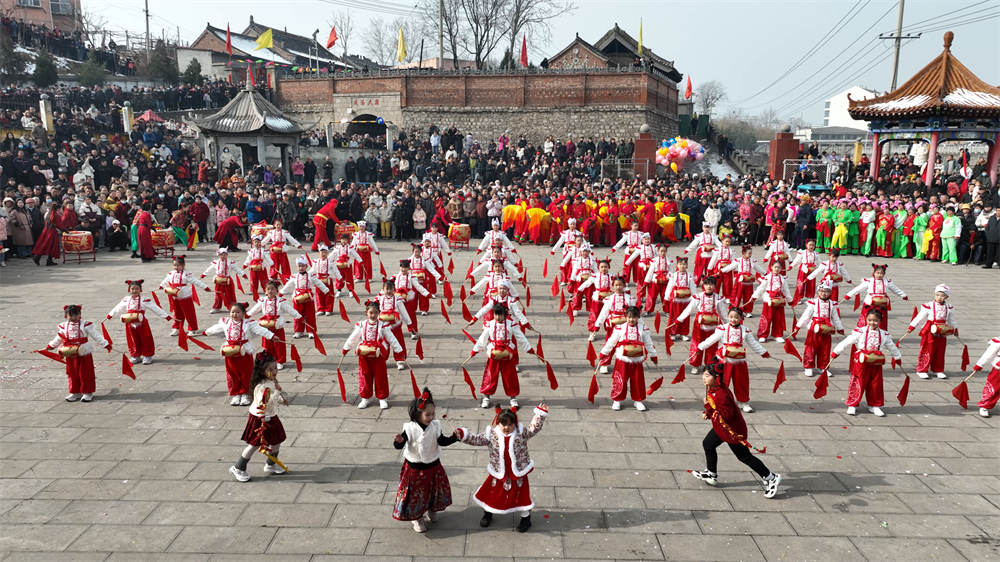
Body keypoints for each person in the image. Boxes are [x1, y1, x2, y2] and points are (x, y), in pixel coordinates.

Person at [693, 359, 781, 499]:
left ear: (717, 378)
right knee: (708, 444)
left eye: (707, 375)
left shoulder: (721, 394)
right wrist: (708, 413)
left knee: (744, 457)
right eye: (703, 374)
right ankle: (711, 472)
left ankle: (771, 477)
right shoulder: (714, 389)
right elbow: (715, 407)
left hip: (732, 431)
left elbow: (727, 414)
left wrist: (709, 406)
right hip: (721, 428)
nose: (704, 378)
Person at [457, 403, 549, 532]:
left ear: (515, 423)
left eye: (510, 424)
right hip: (499, 471)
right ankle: (488, 513)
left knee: (521, 495)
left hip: (517, 472)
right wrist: (463, 435)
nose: (506, 427)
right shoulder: (492, 434)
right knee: (492, 493)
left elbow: (534, 428)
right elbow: (476, 439)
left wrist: (539, 415)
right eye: (503, 424)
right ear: (498, 423)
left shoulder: (521, 433)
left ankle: (526, 519)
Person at [392, 388, 459, 532]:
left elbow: (442, 441)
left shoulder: (436, 425)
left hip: (433, 465)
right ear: (418, 415)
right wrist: (398, 441)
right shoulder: (409, 428)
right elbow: (400, 445)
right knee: (416, 494)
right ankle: (417, 517)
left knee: (433, 490)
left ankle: (432, 509)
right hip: (415, 468)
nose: (431, 417)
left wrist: (454, 438)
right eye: (427, 414)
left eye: (433, 414)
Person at [229, 351, 290, 482]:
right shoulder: (262, 386)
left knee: (277, 439)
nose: (274, 372)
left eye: (275, 368)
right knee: (255, 444)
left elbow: (273, 397)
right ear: (262, 371)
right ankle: (238, 467)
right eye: (270, 369)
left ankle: (271, 463)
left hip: (271, 416)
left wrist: (280, 399)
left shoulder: (271, 381)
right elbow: (265, 404)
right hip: (261, 418)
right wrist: (277, 394)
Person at [831, 309, 903, 417]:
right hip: (861, 361)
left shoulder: (884, 334)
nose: (872, 323)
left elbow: (891, 346)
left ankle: (875, 405)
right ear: (866, 319)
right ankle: (853, 404)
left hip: (876, 362)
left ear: (880, 321)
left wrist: (897, 356)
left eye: (875, 320)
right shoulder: (860, 332)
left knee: (876, 384)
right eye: (869, 320)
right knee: (858, 382)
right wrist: (836, 352)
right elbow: (847, 341)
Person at [697, 308, 771, 413]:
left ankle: (743, 401)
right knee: (721, 381)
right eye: (731, 317)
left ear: (741, 318)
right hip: (724, 360)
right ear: (728, 317)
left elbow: (753, 343)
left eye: (736, 317)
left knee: (741, 381)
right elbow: (712, 339)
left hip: (739, 360)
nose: (733, 319)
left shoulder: (746, 330)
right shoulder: (723, 328)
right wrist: (700, 347)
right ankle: (716, 400)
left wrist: (763, 352)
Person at [204, 302, 276, 406]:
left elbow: (260, 330)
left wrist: (272, 336)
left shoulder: (248, 323)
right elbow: (216, 328)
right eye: (232, 312)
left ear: (243, 313)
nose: (235, 314)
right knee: (232, 372)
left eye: (238, 312)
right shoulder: (226, 322)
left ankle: (246, 393)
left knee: (246, 372)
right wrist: (206, 332)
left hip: (244, 351)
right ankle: (236, 393)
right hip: (230, 351)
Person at [342, 300, 404, 410]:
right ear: (366, 312)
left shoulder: (383, 325)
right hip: (364, 355)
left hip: (378, 355)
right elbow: (354, 337)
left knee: (380, 376)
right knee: (365, 376)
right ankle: (365, 397)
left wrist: (399, 350)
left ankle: (382, 398)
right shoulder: (362, 325)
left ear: (379, 312)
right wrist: (346, 348)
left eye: (376, 313)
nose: (373, 315)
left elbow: (391, 338)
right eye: (371, 313)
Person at [471, 304, 536, 409]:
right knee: (490, 375)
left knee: (510, 376)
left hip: (507, 351)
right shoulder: (490, 324)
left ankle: (513, 397)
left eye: (500, 315)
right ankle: (486, 397)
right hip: (493, 352)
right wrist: (475, 350)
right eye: (496, 315)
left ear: (504, 314)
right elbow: (483, 338)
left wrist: (528, 348)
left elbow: (520, 337)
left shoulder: (511, 324)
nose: (498, 317)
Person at [598, 306, 658, 411]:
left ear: (638, 317)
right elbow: (611, 342)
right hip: (622, 359)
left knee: (637, 380)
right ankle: (617, 399)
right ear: (625, 317)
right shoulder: (619, 328)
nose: (631, 320)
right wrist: (604, 353)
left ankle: (638, 400)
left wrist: (654, 355)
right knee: (620, 379)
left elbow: (648, 343)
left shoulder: (643, 329)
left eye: (634, 317)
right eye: (629, 317)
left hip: (637, 359)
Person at [45, 304, 108, 402]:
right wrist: (51, 345)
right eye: (71, 315)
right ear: (66, 315)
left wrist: (105, 344)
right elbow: (59, 338)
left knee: (86, 372)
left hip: (84, 351)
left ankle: (88, 392)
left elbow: (96, 335)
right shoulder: (64, 326)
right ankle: (75, 391)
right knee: (72, 372)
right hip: (70, 351)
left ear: (80, 314)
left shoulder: (86, 325)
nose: (73, 318)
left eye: (76, 315)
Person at [106, 280, 171, 366]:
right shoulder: (126, 299)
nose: (135, 291)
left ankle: (147, 355)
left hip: (142, 323)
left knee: (146, 339)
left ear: (140, 289)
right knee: (133, 339)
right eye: (132, 289)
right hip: (130, 322)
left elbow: (155, 308)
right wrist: (110, 315)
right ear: (129, 289)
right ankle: (135, 355)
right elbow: (118, 307)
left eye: (137, 288)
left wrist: (166, 316)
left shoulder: (144, 300)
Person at [676, 275, 729, 375]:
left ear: (715, 286)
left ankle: (709, 365)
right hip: (699, 325)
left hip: (713, 326)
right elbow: (689, 309)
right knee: (697, 344)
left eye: (711, 285)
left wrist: (728, 325)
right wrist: (680, 319)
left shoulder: (718, 298)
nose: (709, 286)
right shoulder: (698, 297)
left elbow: (723, 313)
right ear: (703, 285)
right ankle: (695, 365)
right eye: (707, 284)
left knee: (712, 346)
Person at [792, 280, 845, 376]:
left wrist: (840, 328)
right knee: (811, 347)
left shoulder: (832, 304)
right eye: (821, 291)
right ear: (818, 291)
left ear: (830, 292)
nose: (823, 293)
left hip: (827, 328)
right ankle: (808, 366)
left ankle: (823, 367)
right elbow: (806, 315)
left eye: (826, 291)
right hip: (814, 328)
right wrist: (798, 327)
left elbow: (835, 317)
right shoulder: (814, 303)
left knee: (825, 348)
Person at [906, 284, 958, 379]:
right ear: (934, 294)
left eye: (942, 296)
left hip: (942, 331)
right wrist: (912, 327)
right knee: (927, 350)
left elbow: (952, 319)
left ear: (947, 297)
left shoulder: (949, 307)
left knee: (940, 351)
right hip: (929, 330)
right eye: (937, 295)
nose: (939, 297)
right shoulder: (928, 306)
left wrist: (955, 329)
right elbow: (920, 317)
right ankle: (922, 369)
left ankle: (937, 370)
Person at [247, 280, 301, 371]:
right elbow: (255, 309)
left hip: (277, 326)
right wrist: (246, 315)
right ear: (265, 290)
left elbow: (290, 310)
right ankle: (270, 360)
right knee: (268, 345)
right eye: (268, 289)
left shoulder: (281, 301)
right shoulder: (263, 300)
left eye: (272, 289)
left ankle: (280, 361)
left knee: (279, 345)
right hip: (266, 326)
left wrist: (299, 317)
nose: (270, 291)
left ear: (276, 290)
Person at [843, 264, 907, 330]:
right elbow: (858, 288)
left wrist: (903, 295)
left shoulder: (887, 282)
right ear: (874, 272)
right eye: (878, 273)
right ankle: (863, 331)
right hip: (870, 301)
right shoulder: (869, 281)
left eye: (881, 273)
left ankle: (881, 333)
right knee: (867, 316)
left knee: (881, 318)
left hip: (882, 302)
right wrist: (849, 295)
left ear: (884, 274)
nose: (879, 275)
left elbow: (895, 289)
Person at [159, 255, 211, 336]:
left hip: (184, 295)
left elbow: (196, 281)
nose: (176, 267)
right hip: (174, 294)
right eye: (174, 265)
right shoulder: (171, 273)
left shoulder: (187, 274)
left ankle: (193, 329)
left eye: (178, 265)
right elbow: (166, 280)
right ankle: (177, 328)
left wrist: (205, 287)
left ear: (183, 265)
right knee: (176, 312)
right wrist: (161, 285)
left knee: (189, 312)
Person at [282, 255, 330, 339]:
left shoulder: (311, 275)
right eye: (299, 266)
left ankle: (311, 331)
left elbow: (319, 283)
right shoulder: (294, 276)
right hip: (297, 297)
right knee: (297, 315)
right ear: (297, 267)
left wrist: (326, 290)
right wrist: (281, 293)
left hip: (308, 297)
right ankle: (298, 331)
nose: (301, 268)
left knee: (310, 315)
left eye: (303, 266)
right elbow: (288, 285)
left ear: (306, 266)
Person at [375, 278, 415, 371]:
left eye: (391, 289)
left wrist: (409, 325)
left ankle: (400, 359)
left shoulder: (398, 299)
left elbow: (404, 313)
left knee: (398, 341)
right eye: (387, 289)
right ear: (383, 289)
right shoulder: (379, 299)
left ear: (394, 289)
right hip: (383, 326)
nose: (389, 291)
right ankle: (382, 359)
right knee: (384, 343)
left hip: (396, 326)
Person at [751, 261, 793, 343]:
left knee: (778, 318)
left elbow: (786, 290)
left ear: (781, 269)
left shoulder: (782, 278)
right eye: (775, 267)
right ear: (771, 267)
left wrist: (790, 300)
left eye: (779, 267)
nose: (777, 269)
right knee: (766, 318)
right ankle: (763, 334)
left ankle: (777, 335)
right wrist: (754, 297)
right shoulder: (767, 278)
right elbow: (761, 288)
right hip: (768, 300)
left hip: (779, 301)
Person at [720, 245, 766, 317]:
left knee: (748, 296)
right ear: (743, 253)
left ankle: (747, 311)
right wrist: (722, 270)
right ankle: (735, 308)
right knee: (737, 295)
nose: (750, 255)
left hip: (748, 281)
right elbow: (731, 267)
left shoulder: (753, 261)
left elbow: (758, 268)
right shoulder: (738, 260)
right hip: (740, 280)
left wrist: (765, 273)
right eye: (749, 253)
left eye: (751, 253)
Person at [394, 259, 432, 339]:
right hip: (398, 299)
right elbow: (388, 287)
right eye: (402, 267)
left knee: (410, 316)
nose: (403, 269)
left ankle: (413, 331)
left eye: (405, 267)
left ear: (409, 268)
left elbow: (418, 286)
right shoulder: (395, 277)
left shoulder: (412, 277)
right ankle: (395, 331)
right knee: (396, 316)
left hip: (408, 299)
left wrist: (426, 293)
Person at [665, 256, 696, 341]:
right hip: (676, 300)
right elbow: (669, 287)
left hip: (686, 300)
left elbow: (693, 288)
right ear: (677, 265)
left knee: (685, 317)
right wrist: (666, 298)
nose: (682, 266)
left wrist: (695, 299)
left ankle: (684, 333)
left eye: (684, 264)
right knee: (674, 316)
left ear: (687, 266)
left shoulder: (689, 276)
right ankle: (673, 332)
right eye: (680, 264)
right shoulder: (673, 276)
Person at [202, 248, 239, 314]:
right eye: (221, 255)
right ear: (218, 255)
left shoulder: (230, 263)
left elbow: (237, 269)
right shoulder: (216, 262)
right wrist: (204, 274)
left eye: (225, 254)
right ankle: (216, 307)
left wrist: (243, 274)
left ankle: (232, 307)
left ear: (227, 255)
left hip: (228, 280)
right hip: (219, 280)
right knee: (218, 294)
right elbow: (210, 269)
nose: (223, 256)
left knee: (229, 294)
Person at [309, 245, 343, 316]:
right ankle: (320, 308)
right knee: (319, 295)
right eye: (322, 252)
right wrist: (307, 276)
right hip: (318, 280)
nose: (323, 254)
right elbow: (313, 270)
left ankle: (328, 309)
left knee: (329, 294)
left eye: (325, 252)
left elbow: (335, 270)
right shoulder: (316, 261)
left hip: (327, 279)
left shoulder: (331, 261)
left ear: (328, 253)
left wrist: (340, 278)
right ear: (319, 253)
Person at [642, 244, 675, 316]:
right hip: (655, 280)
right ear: (658, 251)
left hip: (665, 280)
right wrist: (646, 281)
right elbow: (650, 271)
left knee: (665, 295)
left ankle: (667, 310)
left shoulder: (669, 261)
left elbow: (671, 271)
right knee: (652, 295)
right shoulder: (654, 261)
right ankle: (648, 310)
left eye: (664, 251)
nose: (663, 253)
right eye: (661, 251)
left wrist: (668, 277)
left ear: (666, 251)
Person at [972, 337, 1000, 418]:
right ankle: (985, 406)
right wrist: (980, 364)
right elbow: (988, 354)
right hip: (998, 369)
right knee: (993, 388)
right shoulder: (998, 342)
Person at [241, 235, 274, 302]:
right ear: (253, 243)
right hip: (253, 267)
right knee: (253, 279)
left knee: (264, 279)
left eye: (258, 242)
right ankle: (253, 289)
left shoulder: (263, 251)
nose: (256, 243)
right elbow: (249, 259)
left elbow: (268, 258)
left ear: (260, 243)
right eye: (255, 242)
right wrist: (245, 264)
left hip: (261, 267)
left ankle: (266, 289)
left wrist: (272, 264)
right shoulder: (251, 251)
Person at [32, 200, 64, 266]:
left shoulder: (50, 213)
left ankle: (38, 257)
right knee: (52, 246)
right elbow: (60, 225)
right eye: (61, 209)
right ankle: (46, 259)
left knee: (44, 245)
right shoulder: (56, 215)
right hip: (52, 231)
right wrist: (66, 231)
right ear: (58, 209)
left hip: (46, 230)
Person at [788, 238, 820, 305]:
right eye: (810, 245)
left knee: (811, 284)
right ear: (806, 245)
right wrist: (791, 266)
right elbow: (797, 260)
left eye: (813, 245)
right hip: (803, 269)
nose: (811, 247)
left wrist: (823, 268)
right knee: (801, 284)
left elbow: (819, 262)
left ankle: (809, 297)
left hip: (812, 270)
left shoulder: (816, 254)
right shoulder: (802, 253)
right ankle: (799, 297)